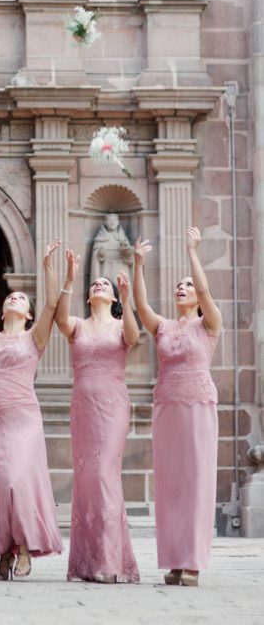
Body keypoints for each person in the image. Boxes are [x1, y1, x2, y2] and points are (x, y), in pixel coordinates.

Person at [0, 231, 62, 580]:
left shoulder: (34, 337)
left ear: (28, 311)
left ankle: (23, 548)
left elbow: (52, 306)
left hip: (23, 419)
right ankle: (5, 552)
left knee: (16, 481)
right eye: (11, 297)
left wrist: (48, 267)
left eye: (21, 297)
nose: (14, 299)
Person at [133, 227, 221, 587]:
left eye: (186, 286)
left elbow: (205, 290)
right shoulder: (163, 328)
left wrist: (192, 252)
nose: (181, 288)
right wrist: (138, 265)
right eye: (178, 286)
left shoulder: (209, 323)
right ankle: (174, 559)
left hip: (198, 405)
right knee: (171, 484)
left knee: (197, 481)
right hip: (167, 406)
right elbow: (141, 307)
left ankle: (193, 562)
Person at [55, 250, 140, 584]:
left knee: (105, 473)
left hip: (113, 403)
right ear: (88, 297)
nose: (99, 286)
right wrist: (70, 279)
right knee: (88, 480)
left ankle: (109, 561)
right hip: (83, 406)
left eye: (105, 284)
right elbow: (60, 319)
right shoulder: (77, 325)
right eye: (94, 285)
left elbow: (133, 338)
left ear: (113, 297)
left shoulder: (120, 325)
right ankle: (86, 562)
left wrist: (129, 299)